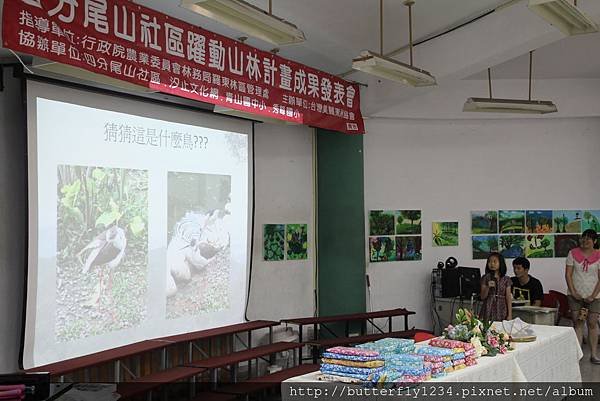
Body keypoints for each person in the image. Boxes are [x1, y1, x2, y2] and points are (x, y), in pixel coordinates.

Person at [565, 229, 600, 365]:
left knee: (592, 323)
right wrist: (573, 292)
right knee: (578, 323)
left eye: (588, 239)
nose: (585, 241)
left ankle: (594, 355)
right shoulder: (572, 253)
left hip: (595, 296)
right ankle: (578, 354)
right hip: (575, 295)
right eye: (583, 238)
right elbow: (568, 275)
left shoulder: (598, 255)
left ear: (594, 241)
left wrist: (593, 295)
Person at [480, 252, 512, 322]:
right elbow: (482, 297)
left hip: (502, 307)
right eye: (489, 262)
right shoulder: (485, 277)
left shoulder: (506, 279)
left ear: (501, 263)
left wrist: (509, 314)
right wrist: (488, 287)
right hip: (489, 306)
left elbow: (508, 297)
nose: (492, 264)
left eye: (495, 261)